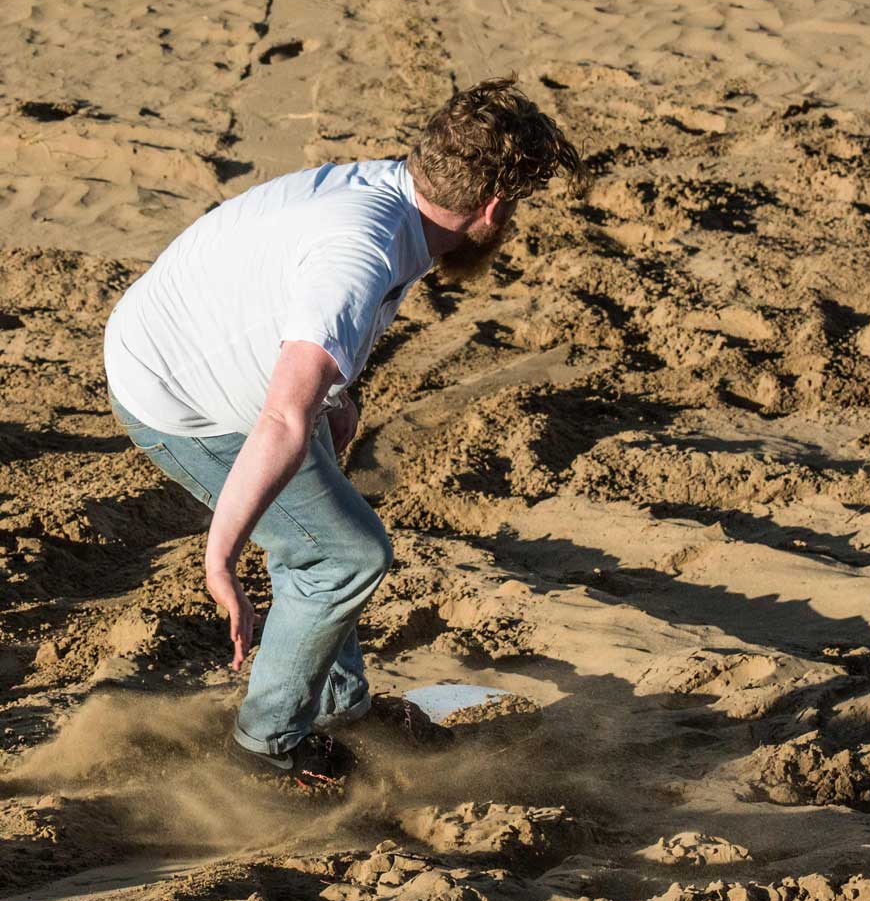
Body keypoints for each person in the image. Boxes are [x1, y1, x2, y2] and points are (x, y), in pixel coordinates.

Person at [105, 78, 580, 791]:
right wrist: (220, 558)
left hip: (193, 346)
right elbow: (281, 418)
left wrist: (335, 391)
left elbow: (299, 331)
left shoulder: (387, 191)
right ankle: (264, 750)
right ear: (492, 208)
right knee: (348, 553)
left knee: (323, 532)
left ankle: (338, 709)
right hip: (183, 400)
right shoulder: (361, 254)